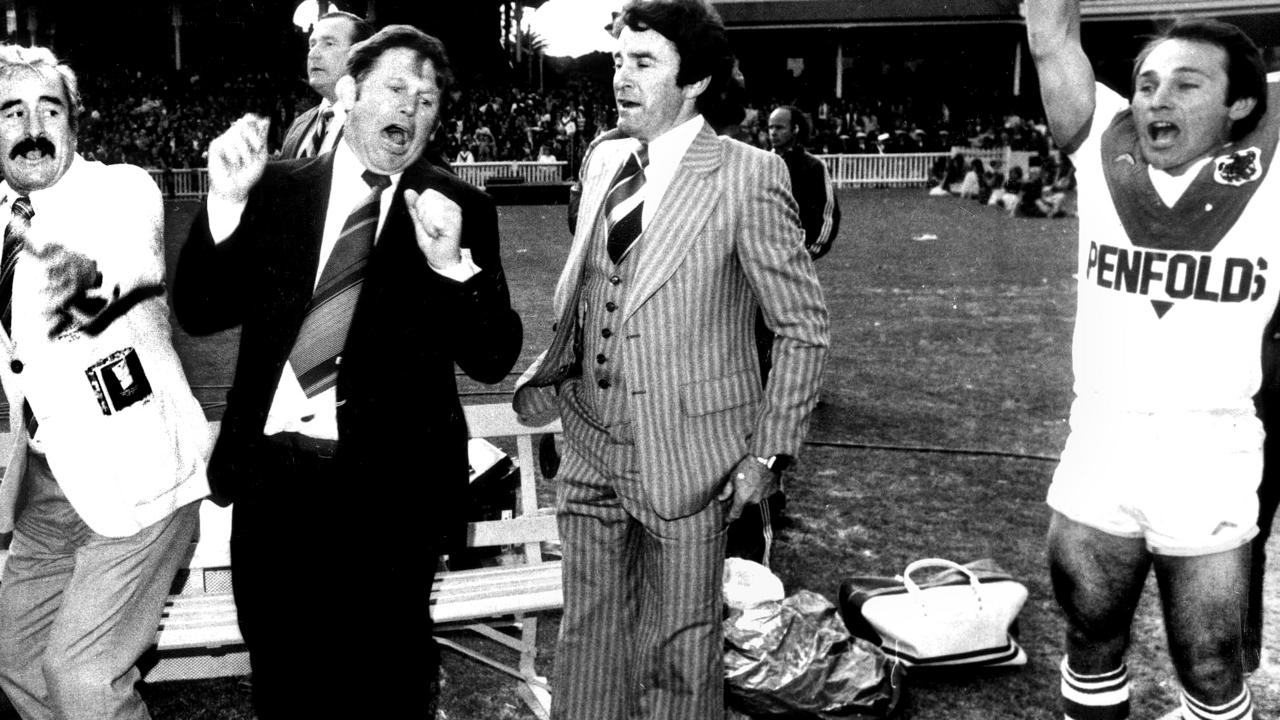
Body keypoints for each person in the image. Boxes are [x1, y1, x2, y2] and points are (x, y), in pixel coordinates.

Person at [173, 25, 522, 719]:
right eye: (397, 89)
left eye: (428, 101)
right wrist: (226, 205)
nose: (412, 110)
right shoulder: (275, 189)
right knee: (284, 683)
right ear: (350, 92)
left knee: (384, 690)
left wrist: (452, 267)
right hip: (274, 488)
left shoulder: (457, 210)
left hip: (390, 504)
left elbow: (493, 356)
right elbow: (201, 309)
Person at [512, 1, 829, 717]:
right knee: (589, 640)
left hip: (690, 458)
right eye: (618, 61)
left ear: (695, 81)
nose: (621, 77)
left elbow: (804, 328)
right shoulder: (605, 161)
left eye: (644, 63)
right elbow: (590, 289)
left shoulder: (750, 176)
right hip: (589, 441)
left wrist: (767, 456)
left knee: (680, 658)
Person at [1027, 2, 1277, 718]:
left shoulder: (1274, 171)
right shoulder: (1104, 149)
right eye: (1146, 82)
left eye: (1187, 84)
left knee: (1208, 666)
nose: (1156, 99)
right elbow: (1049, 38)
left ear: (1241, 104)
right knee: (1089, 641)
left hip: (1210, 447)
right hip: (1101, 438)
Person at [0, 43, 210, 719]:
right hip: (48, 482)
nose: (32, 127)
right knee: (12, 655)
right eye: (11, 112)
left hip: (138, 482)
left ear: (74, 121)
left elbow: (121, 290)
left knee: (83, 677)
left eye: (48, 108)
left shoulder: (121, 191)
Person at [278, 11, 373, 159]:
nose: (312, 54)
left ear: (360, 55)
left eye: (329, 44)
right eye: (312, 44)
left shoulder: (376, 129)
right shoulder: (298, 125)